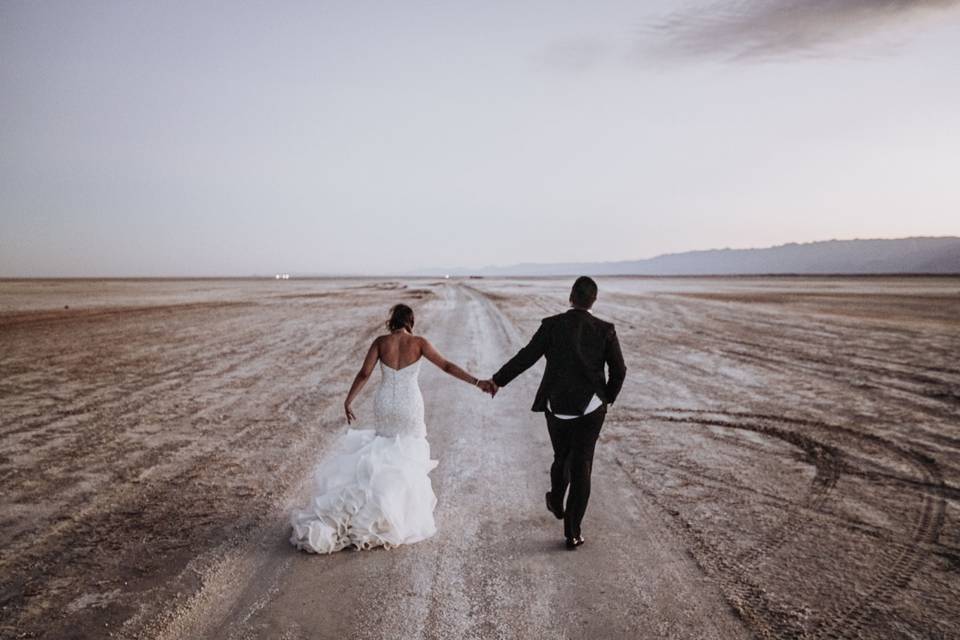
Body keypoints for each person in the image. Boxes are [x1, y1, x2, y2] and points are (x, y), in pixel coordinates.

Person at [289, 303, 494, 553]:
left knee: (383, 451)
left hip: (385, 403)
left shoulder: (380, 342)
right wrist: (477, 382)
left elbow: (364, 373)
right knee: (406, 455)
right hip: (409, 405)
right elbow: (447, 366)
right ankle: (394, 514)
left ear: (391, 321)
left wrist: (349, 399)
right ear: (411, 321)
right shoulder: (419, 343)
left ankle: (369, 509)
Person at [482, 276, 626, 549]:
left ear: (571, 296)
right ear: (593, 300)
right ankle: (572, 532)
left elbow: (526, 357)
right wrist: (606, 398)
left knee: (562, 457)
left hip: (556, 406)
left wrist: (497, 381)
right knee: (582, 466)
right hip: (591, 408)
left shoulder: (552, 326)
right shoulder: (605, 329)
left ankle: (556, 497)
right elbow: (619, 371)